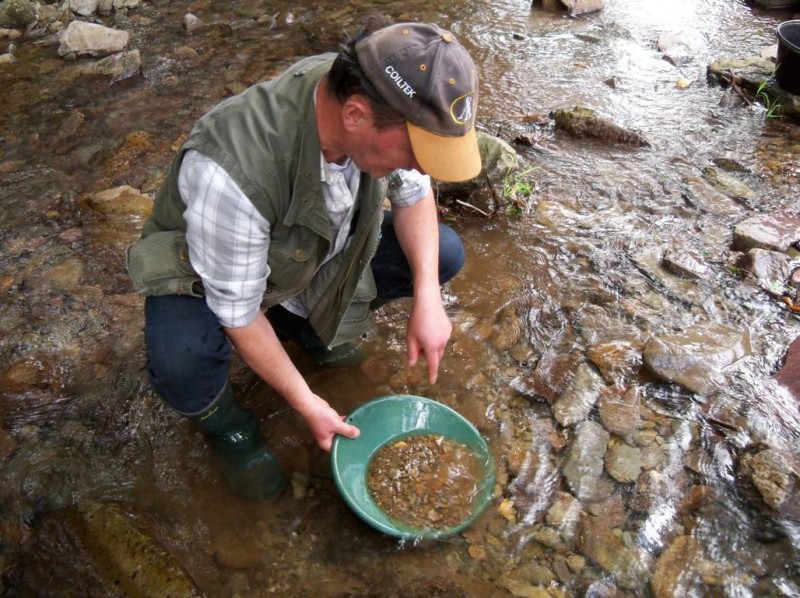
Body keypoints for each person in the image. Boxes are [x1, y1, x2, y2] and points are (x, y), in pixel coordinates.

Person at [126, 14, 482, 500]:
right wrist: (305, 401)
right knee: (181, 361)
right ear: (355, 116)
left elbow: (413, 194)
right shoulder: (231, 170)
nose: (422, 164)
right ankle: (228, 426)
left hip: (299, 249)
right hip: (206, 273)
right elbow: (239, 310)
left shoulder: (370, 96)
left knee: (442, 255)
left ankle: (305, 329)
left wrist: (427, 296)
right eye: (416, 150)